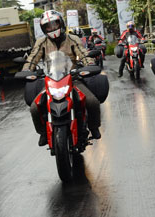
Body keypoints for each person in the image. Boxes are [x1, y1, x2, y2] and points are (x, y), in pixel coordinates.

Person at [23, 9, 101, 145]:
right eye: (48, 26)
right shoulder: (41, 42)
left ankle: (93, 127)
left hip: (73, 78)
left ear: (61, 23)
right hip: (50, 81)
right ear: (43, 28)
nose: (52, 28)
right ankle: (42, 132)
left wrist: (89, 64)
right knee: (35, 108)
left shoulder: (72, 39)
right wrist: (26, 71)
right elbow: (32, 58)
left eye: (54, 24)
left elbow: (83, 53)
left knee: (92, 101)